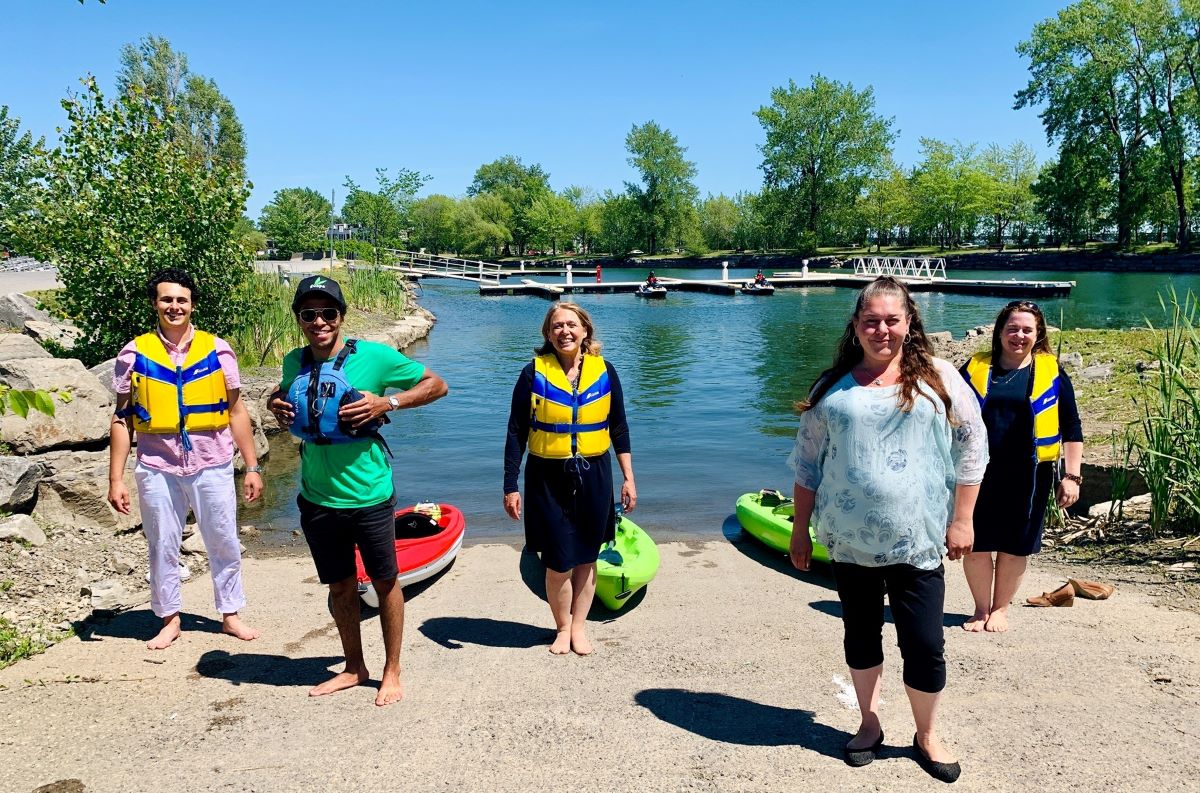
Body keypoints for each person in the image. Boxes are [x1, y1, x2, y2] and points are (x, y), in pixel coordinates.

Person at [788, 276, 987, 783]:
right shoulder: (831, 387)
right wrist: (799, 530)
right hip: (850, 543)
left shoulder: (938, 378)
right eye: (871, 320)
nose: (881, 330)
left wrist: (963, 519)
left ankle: (926, 733)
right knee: (861, 635)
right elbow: (807, 464)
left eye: (891, 320)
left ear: (908, 323)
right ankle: (870, 723)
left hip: (918, 541)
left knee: (923, 643)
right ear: (856, 326)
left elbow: (973, 446)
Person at [267, 275, 447, 706]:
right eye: (308, 314)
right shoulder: (294, 361)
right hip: (316, 497)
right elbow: (291, 395)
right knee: (341, 587)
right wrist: (276, 401)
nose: (319, 322)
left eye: (328, 312)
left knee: (386, 583)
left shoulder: (376, 357)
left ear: (341, 316)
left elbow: (436, 385)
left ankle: (391, 671)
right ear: (299, 320)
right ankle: (353, 667)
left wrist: (390, 402)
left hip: (368, 495)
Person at [107, 269, 263, 651]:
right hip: (157, 465)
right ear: (155, 304)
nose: (174, 307)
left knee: (223, 539)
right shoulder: (134, 352)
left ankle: (230, 615)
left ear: (192, 305)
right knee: (161, 542)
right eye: (166, 300)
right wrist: (116, 478)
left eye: (181, 300)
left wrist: (253, 465)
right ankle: (169, 618)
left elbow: (237, 411)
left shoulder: (218, 349)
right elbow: (121, 418)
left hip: (212, 462)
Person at [503, 303, 636, 656]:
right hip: (547, 477)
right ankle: (562, 627)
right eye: (557, 326)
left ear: (585, 331)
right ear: (548, 334)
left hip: (594, 474)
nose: (565, 331)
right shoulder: (532, 374)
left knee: (586, 557)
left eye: (571, 325)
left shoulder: (605, 371)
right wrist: (509, 485)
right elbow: (516, 432)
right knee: (557, 560)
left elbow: (619, 428)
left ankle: (579, 627)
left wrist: (628, 478)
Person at [959, 300, 1083, 631]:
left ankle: (1000, 609)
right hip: (977, 472)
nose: (1019, 335)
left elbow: (1071, 427)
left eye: (1027, 329)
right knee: (976, 543)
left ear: (1038, 334)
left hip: (1030, 474)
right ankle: (980, 609)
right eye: (1012, 328)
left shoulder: (1052, 372)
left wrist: (1071, 476)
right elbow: (944, 411)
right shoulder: (974, 367)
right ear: (999, 332)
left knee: (1015, 545)